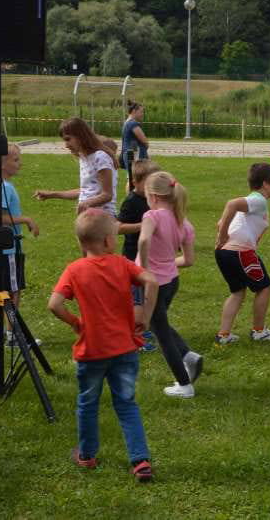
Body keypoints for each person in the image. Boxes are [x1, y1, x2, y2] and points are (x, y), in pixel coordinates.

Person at [48, 209, 158, 481]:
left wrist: (75, 322)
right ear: (109, 241)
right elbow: (151, 280)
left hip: (92, 351)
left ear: (80, 243)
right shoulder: (121, 264)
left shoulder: (74, 270)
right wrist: (145, 313)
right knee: (126, 404)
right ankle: (140, 461)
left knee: (87, 403)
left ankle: (86, 455)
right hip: (124, 349)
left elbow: (54, 304)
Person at [137, 171, 201, 398]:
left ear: (153, 196)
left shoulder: (151, 216)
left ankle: (184, 385)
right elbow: (189, 260)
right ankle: (189, 356)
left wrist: (144, 270)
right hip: (171, 282)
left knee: (160, 333)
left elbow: (144, 239)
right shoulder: (183, 222)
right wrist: (166, 262)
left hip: (152, 284)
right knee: (158, 324)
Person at [214, 163, 270, 345]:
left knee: (237, 292)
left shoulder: (252, 201)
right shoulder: (258, 200)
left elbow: (221, 221)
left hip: (224, 253)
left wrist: (222, 235)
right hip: (240, 252)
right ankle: (259, 331)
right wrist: (222, 236)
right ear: (265, 184)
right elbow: (231, 204)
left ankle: (224, 335)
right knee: (264, 288)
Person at [117, 159, 161, 353]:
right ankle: (136, 338)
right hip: (133, 256)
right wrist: (143, 226)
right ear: (136, 182)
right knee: (137, 299)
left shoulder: (153, 199)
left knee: (146, 295)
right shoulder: (131, 202)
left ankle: (143, 329)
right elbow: (117, 227)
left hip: (150, 256)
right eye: (149, 183)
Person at [34, 117, 119, 216]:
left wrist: (86, 204)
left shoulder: (100, 157)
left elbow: (107, 195)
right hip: (87, 216)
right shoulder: (84, 158)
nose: (66, 145)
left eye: (68, 139)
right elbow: (86, 191)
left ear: (81, 136)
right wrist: (52, 194)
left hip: (101, 218)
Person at [0, 145, 39, 313]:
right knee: (13, 290)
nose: (20, 163)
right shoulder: (4, 187)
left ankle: (6, 330)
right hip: (7, 249)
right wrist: (27, 219)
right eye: (16, 160)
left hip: (2, 248)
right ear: (3, 164)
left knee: (4, 289)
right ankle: (13, 334)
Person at [121, 101, 149, 174]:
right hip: (133, 154)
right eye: (141, 112)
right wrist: (146, 147)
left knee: (132, 179)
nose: (142, 114)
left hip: (131, 153)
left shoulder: (127, 122)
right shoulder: (133, 123)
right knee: (135, 179)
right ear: (134, 111)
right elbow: (144, 141)